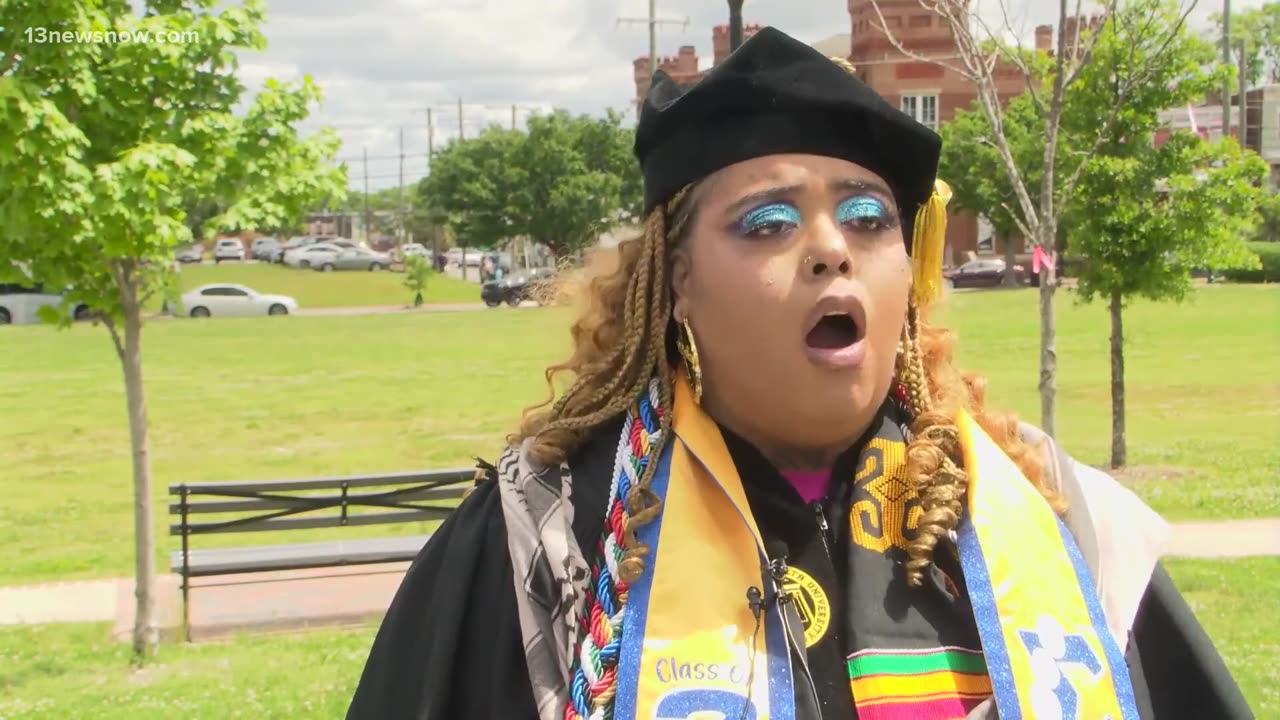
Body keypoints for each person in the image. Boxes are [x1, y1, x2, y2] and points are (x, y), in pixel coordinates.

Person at [347, 28, 1251, 720]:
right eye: (767, 223)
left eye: (867, 218)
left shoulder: (1048, 523)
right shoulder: (549, 540)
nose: (830, 250)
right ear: (677, 285)